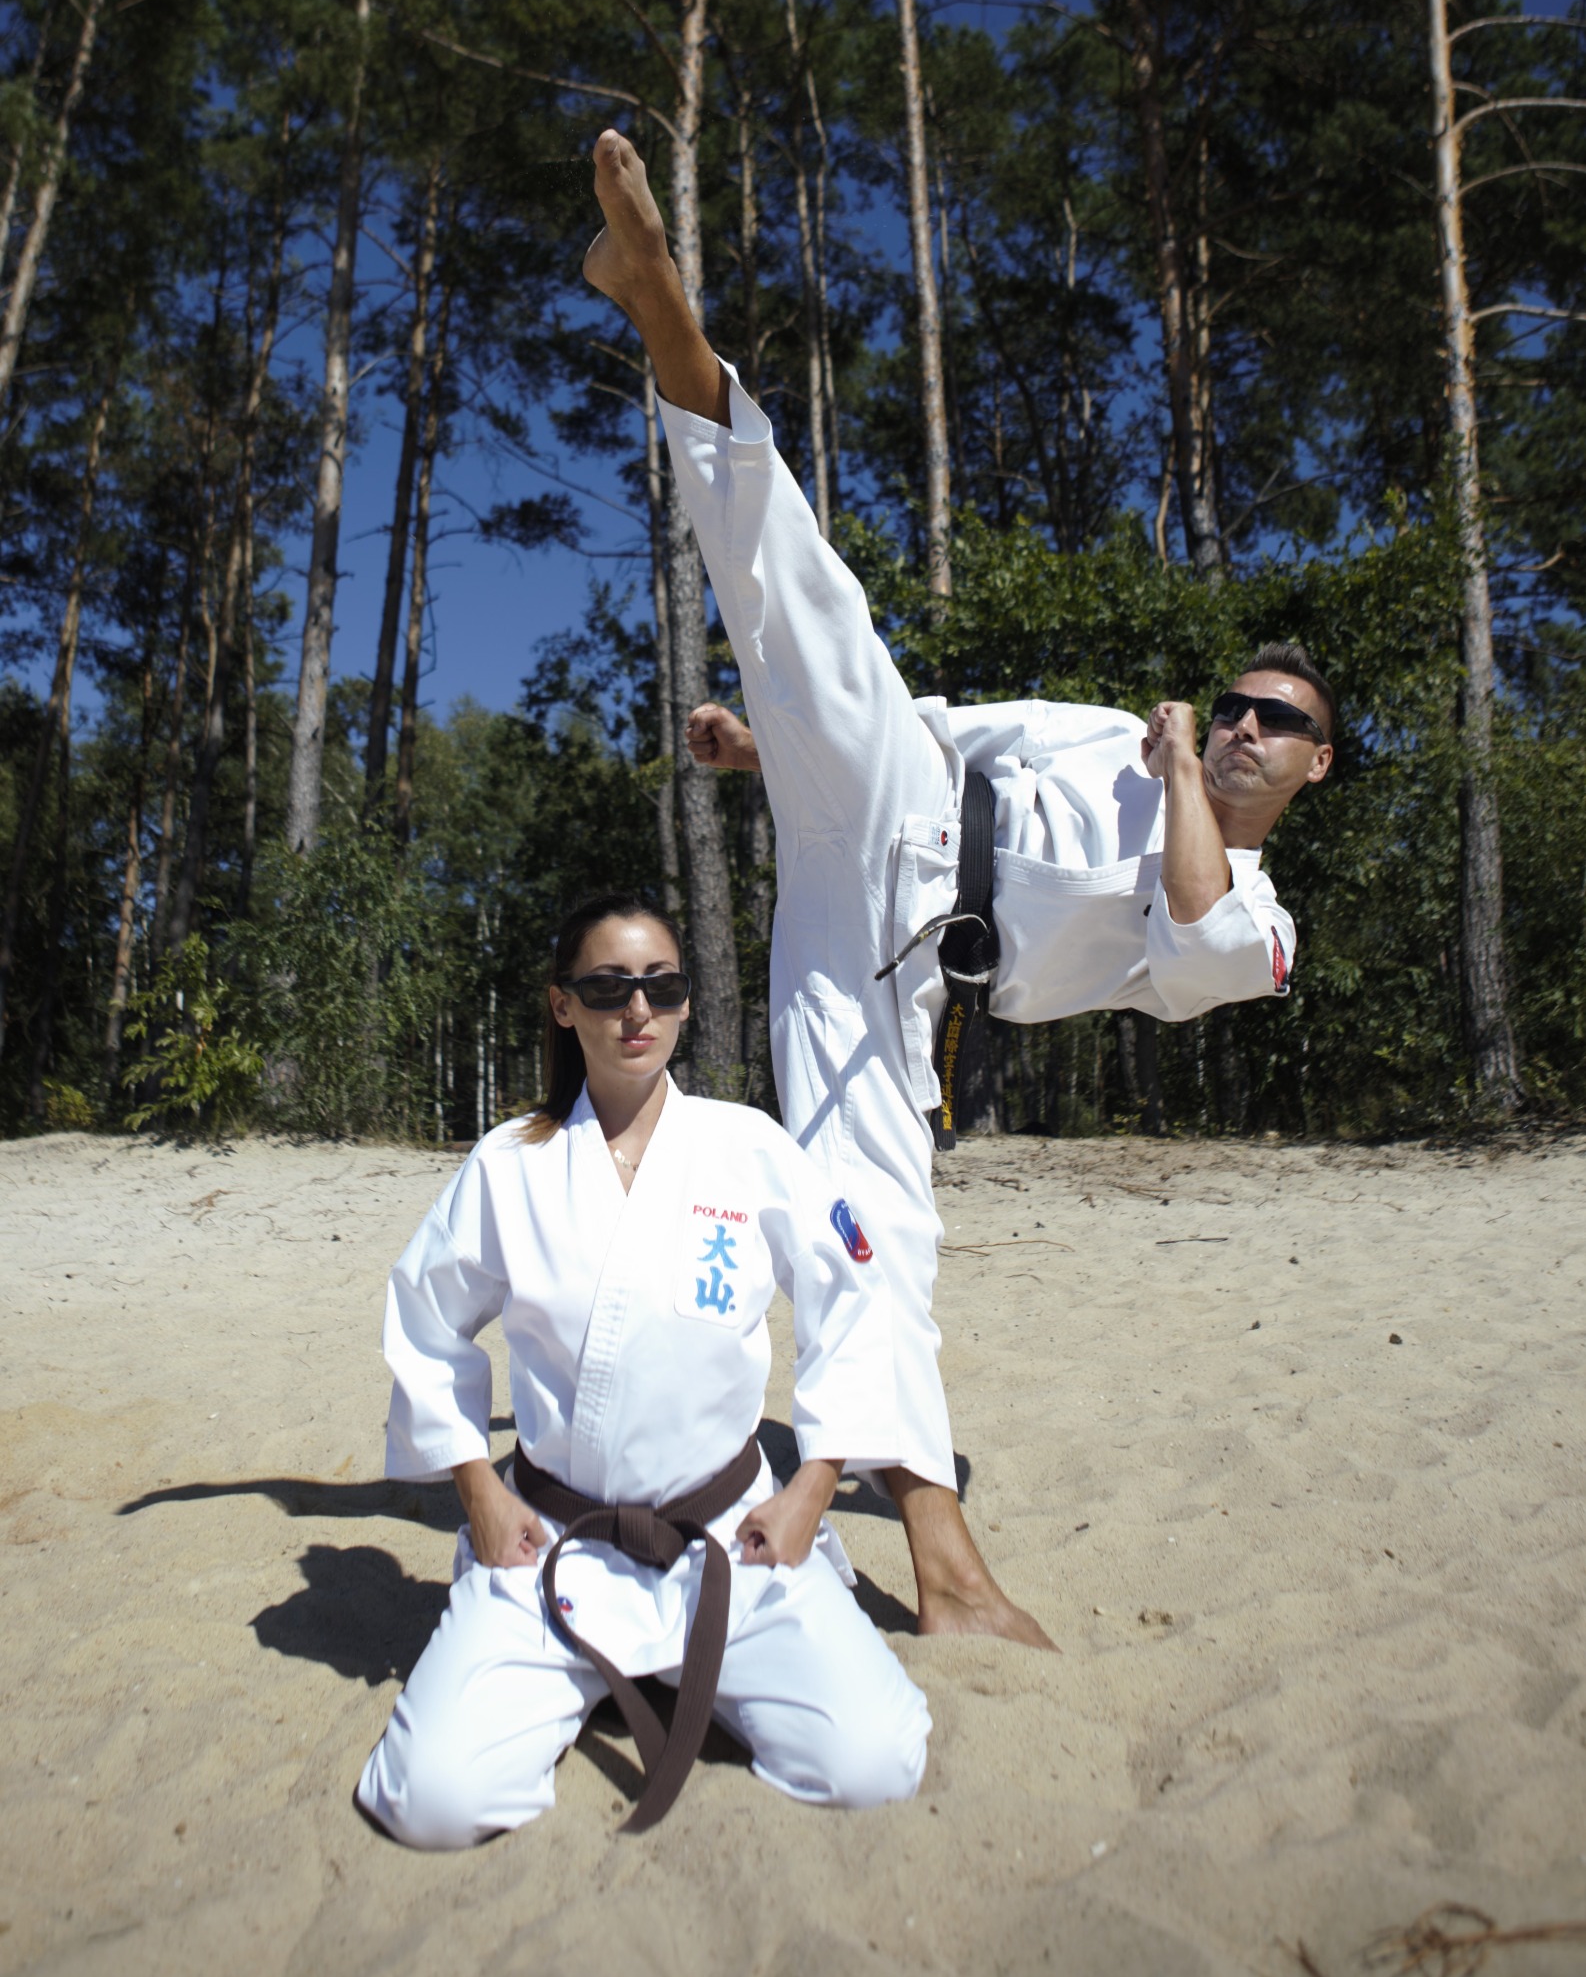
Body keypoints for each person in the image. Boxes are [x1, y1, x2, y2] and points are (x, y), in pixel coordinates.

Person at [581, 130, 1335, 1650]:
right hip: (892, 800)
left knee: (876, 1233)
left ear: (1316, 768)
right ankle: (663, 316)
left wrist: (1183, 765)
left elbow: (1188, 936)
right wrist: (771, 745)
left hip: (904, 976)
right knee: (807, 599)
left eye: (1282, 723)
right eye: (1237, 704)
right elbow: (923, 720)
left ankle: (940, 1561)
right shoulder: (1099, 735)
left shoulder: (1261, 925)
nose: (1247, 723)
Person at [356, 892, 931, 1848]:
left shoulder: (747, 1147)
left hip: (729, 1536)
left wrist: (812, 1492)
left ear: (686, 1004)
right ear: (562, 1006)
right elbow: (425, 1322)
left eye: (661, 987)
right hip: (556, 1543)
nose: (637, 1010)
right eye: (608, 987)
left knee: (874, 1763)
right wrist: (481, 1498)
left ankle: (652, 1676)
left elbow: (855, 1300)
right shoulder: (511, 1164)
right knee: (433, 1802)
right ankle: (591, 1676)